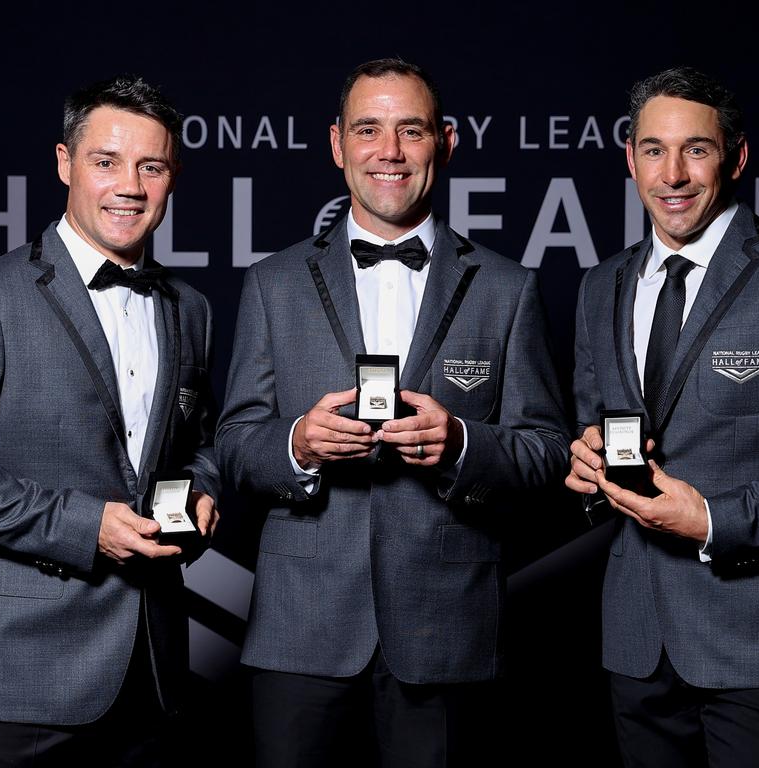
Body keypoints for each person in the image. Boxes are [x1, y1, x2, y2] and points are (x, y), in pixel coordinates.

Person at [216, 58, 570, 767]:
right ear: (337, 144)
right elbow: (232, 444)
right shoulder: (274, 283)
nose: (390, 152)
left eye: (411, 131)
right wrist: (298, 446)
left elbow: (549, 449)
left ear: (445, 143)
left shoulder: (507, 287)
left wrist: (463, 443)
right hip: (300, 630)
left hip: (448, 630)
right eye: (369, 130)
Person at [565, 66, 759, 767]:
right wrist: (587, 463)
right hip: (637, 640)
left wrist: (714, 519)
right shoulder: (601, 286)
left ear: (735, 157)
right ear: (630, 158)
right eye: (653, 149)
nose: (672, 173)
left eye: (696, 150)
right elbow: (598, 427)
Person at [0, 75, 220, 766]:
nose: (129, 185)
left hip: (152, 668)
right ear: (65, 163)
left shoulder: (190, 309)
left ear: (172, 177)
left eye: (151, 166)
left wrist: (202, 491)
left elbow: (200, 440)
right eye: (106, 161)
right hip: (20, 669)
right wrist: (85, 525)